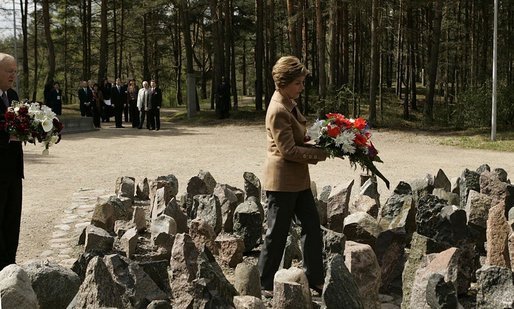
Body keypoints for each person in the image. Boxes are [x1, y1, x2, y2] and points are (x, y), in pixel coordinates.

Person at [258, 56, 327, 296]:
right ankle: (264, 283)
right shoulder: (278, 109)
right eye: (298, 82)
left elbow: (297, 139)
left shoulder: (289, 102)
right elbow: (287, 150)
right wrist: (317, 153)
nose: (301, 86)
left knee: (312, 227)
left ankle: (315, 279)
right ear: (283, 83)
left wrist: (319, 140)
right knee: (276, 234)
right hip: (282, 181)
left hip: (298, 180)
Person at [0, 53, 23, 271]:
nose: (13, 75)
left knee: (12, 220)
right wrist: (9, 134)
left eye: (15, 71)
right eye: (9, 71)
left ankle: (10, 265)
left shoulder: (13, 95)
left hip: (15, 171)